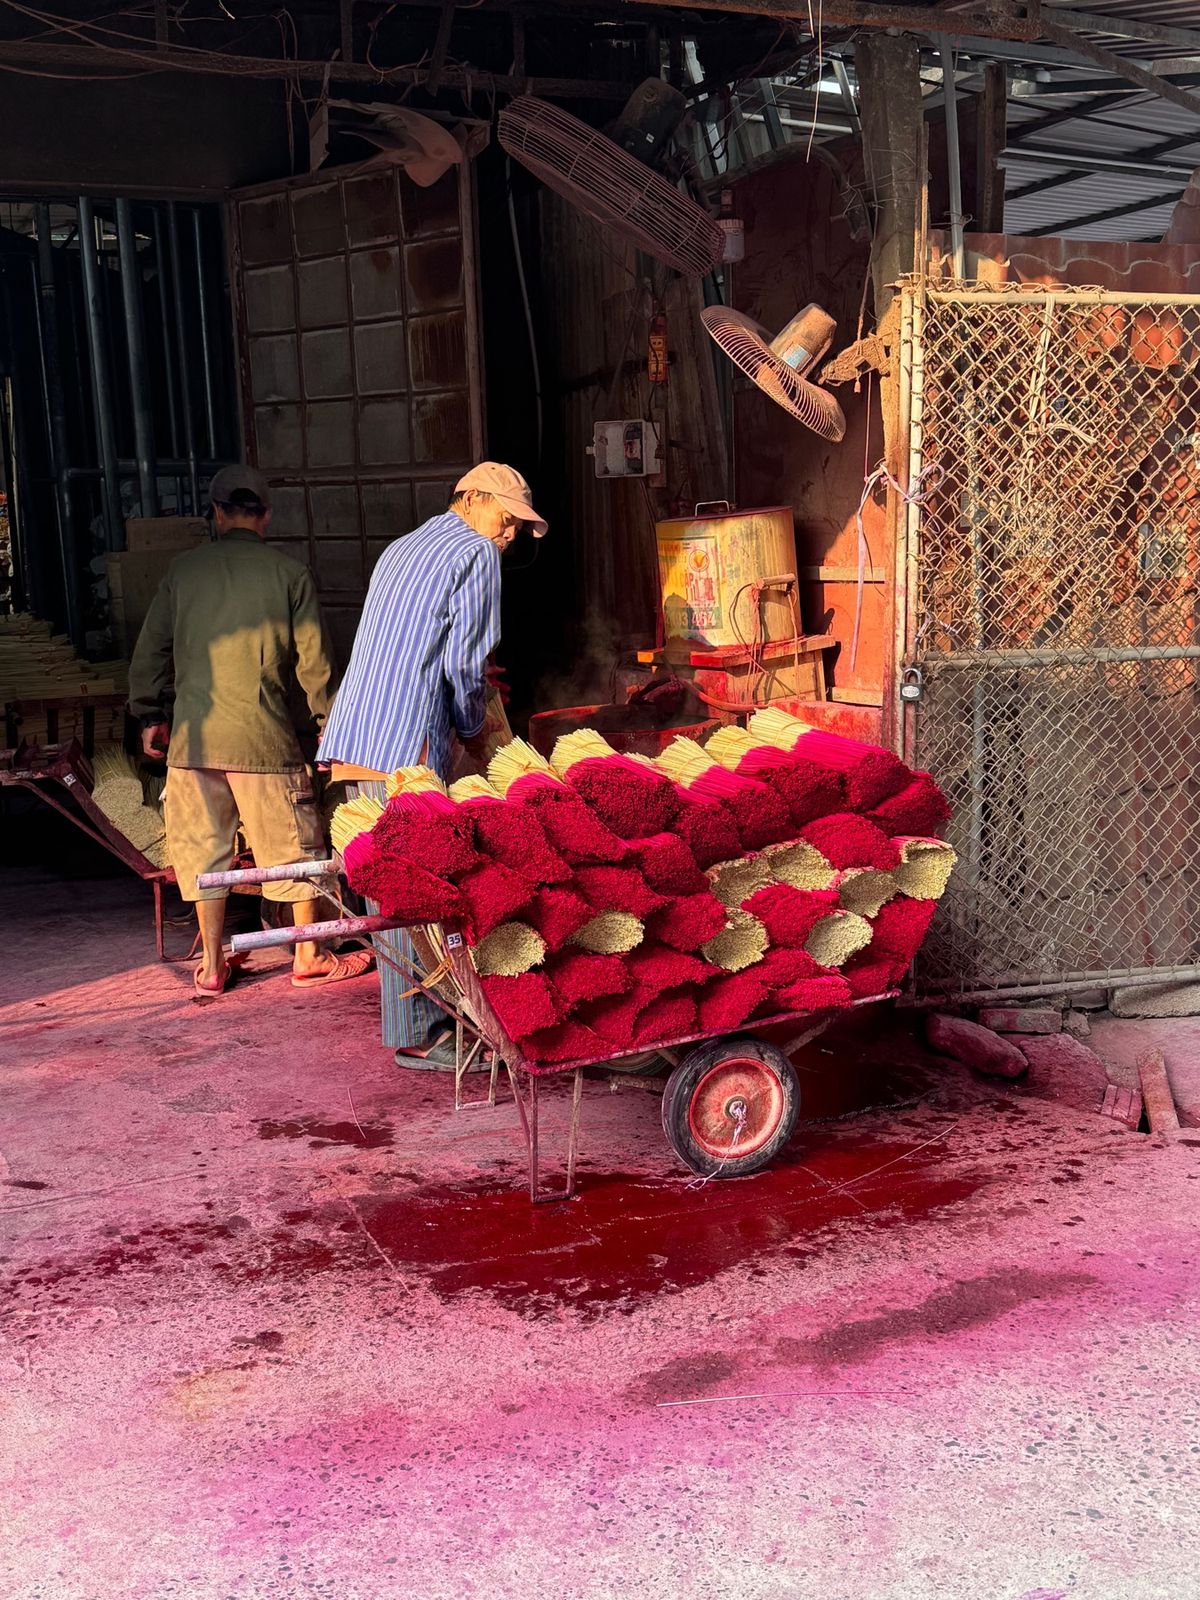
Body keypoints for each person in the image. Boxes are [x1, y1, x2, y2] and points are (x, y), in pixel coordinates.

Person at [319, 461, 548, 1068]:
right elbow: (465, 667)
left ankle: (416, 1024)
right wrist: (477, 735)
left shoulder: (404, 545)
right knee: (414, 891)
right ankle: (423, 1033)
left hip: (357, 731)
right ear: (471, 499)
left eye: (520, 526)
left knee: (386, 887)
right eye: (507, 518)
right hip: (405, 747)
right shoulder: (475, 553)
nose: (510, 534)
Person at [128, 464, 373, 996]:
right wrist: (331, 731)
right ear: (266, 514)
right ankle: (308, 955)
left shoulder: (182, 571)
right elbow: (316, 667)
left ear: (215, 513)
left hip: (193, 745)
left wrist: (150, 715)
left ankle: (213, 966)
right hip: (264, 745)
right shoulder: (290, 575)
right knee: (298, 851)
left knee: (202, 853)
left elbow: (151, 652)